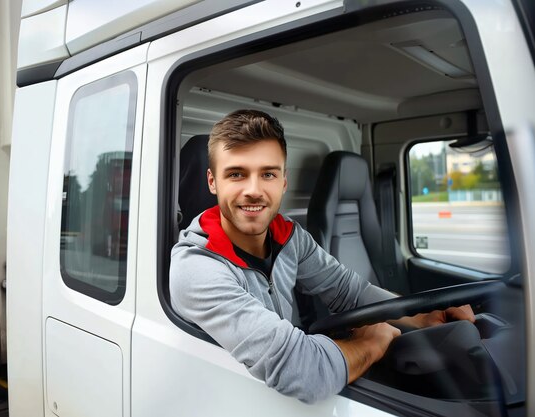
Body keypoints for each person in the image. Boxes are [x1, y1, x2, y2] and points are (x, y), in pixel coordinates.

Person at [170, 109, 474, 403]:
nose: (254, 190)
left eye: (268, 174)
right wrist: (373, 341)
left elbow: (350, 292)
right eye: (236, 174)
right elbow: (302, 371)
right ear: (212, 181)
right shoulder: (196, 268)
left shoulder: (290, 236)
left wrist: (424, 316)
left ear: (283, 181)